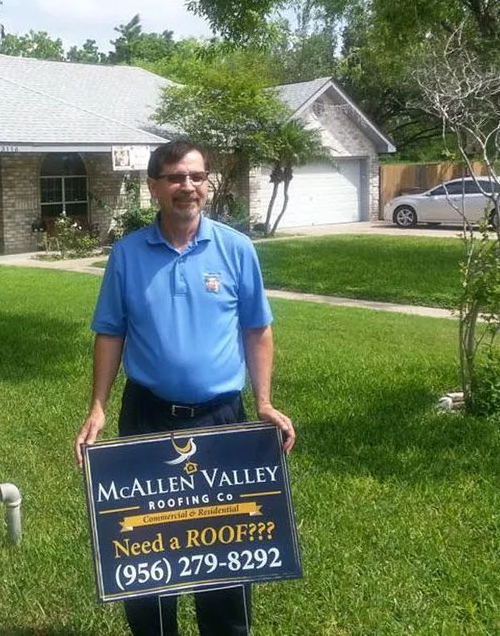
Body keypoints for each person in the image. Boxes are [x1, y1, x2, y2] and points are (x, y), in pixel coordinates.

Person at [74, 139, 295, 636]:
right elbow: (111, 332)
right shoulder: (128, 255)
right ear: (154, 187)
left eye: (196, 176)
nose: (187, 187)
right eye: (174, 177)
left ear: (209, 183)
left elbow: (257, 328)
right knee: (148, 549)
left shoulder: (235, 249)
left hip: (221, 418)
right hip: (147, 416)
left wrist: (263, 401)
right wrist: (97, 407)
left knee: (224, 552)